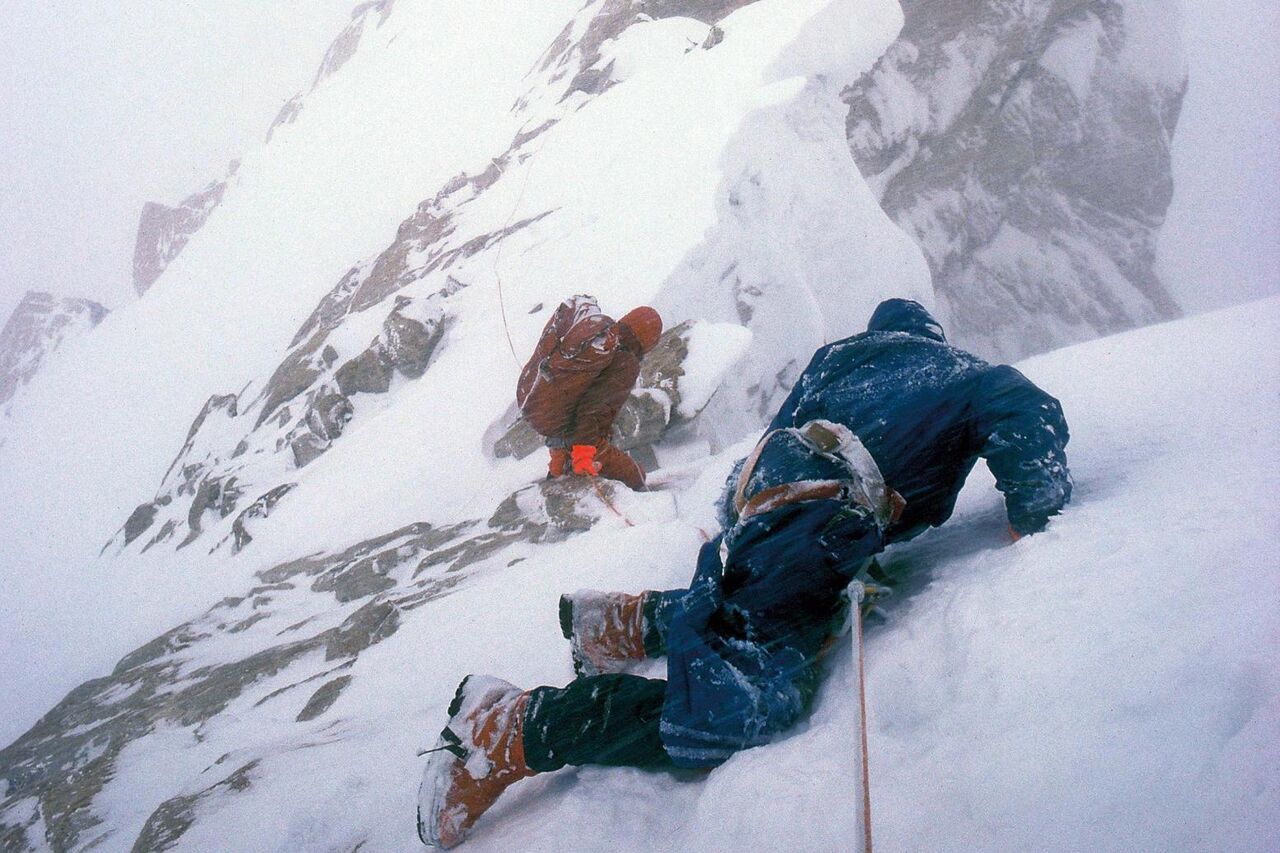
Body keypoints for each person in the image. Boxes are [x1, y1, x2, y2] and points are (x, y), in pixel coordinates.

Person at [418, 299, 1072, 848]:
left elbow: (781, 430)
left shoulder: (843, 356)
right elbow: (1029, 416)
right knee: (735, 710)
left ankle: (617, 623)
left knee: (745, 599)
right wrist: (1032, 514)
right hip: (817, 516)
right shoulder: (966, 379)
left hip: (765, 493)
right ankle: (509, 728)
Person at [516, 295, 663, 490]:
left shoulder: (603, 346)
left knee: (566, 470)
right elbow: (594, 409)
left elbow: (571, 397)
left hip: (549, 421)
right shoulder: (625, 362)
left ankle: (558, 473)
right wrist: (584, 452)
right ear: (649, 341)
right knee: (636, 475)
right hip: (581, 438)